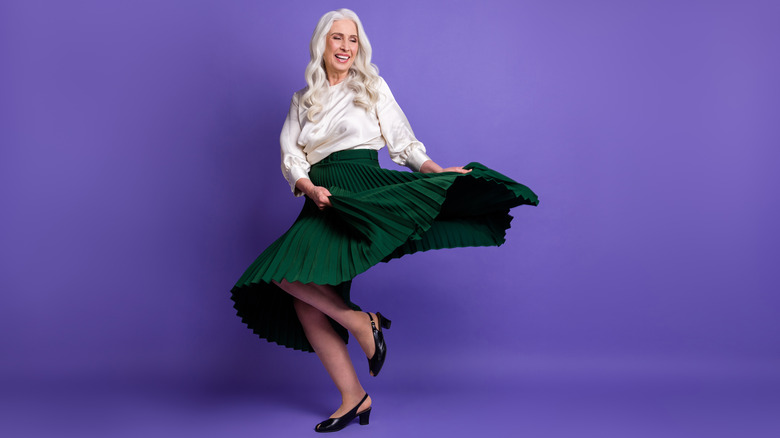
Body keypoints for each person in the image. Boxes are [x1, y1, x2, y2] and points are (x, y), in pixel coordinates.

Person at [231, 8, 539, 433]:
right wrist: (307, 187)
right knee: (298, 295)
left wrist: (435, 171)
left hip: (361, 187)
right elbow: (291, 154)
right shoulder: (302, 100)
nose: (345, 47)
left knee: (298, 290)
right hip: (320, 196)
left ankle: (362, 326)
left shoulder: (371, 87)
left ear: (360, 47)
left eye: (352, 40)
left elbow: (402, 141)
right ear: (322, 43)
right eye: (337, 38)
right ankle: (355, 391)